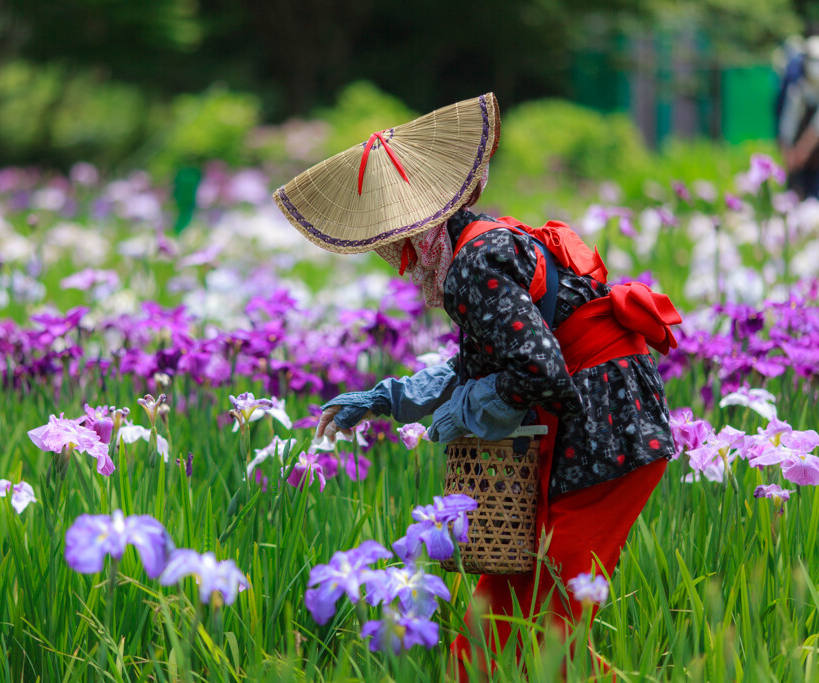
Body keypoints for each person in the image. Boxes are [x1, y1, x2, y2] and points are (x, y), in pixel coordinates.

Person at [272, 93, 682, 678]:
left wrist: (469, 410)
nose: (394, 261)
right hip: (593, 422)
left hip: (608, 434)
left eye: (392, 245)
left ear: (415, 234)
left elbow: (538, 370)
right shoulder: (481, 241)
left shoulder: (471, 266)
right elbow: (481, 365)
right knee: (498, 621)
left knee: (550, 621)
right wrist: (386, 399)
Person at [776, 36, 819, 199]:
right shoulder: (795, 80)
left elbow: (817, 126)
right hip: (797, 140)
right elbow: (788, 120)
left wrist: (803, 150)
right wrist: (788, 152)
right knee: (794, 191)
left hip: (813, 148)